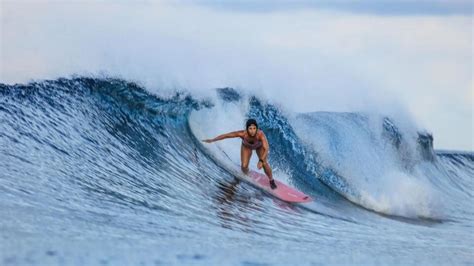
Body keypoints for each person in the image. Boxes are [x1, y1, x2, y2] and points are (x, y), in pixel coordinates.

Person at [202, 119, 277, 189]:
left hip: (259, 147)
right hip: (246, 147)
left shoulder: (260, 135)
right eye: (250, 128)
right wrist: (212, 140)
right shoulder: (242, 134)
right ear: (247, 129)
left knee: (264, 164)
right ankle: (247, 174)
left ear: (257, 128)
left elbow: (266, 148)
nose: (252, 131)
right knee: (244, 166)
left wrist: (261, 160)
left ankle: (271, 180)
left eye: (254, 128)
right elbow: (226, 135)